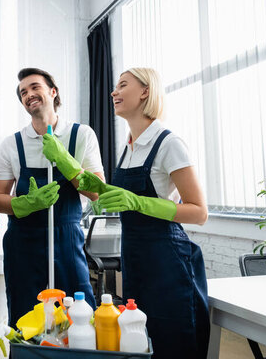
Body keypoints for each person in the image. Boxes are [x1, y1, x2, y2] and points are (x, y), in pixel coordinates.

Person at [77, 67, 209, 359]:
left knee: (173, 342)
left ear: (145, 91)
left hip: (168, 262)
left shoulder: (168, 143)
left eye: (122, 85)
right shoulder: (129, 147)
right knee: (141, 342)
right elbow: (124, 200)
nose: (113, 92)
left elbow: (199, 212)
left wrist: (139, 203)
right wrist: (97, 188)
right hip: (136, 259)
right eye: (114, 87)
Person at [0, 68, 104, 329]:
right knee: (23, 316)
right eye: (23, 92)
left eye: (34, 87)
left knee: (80, 312)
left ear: (53, 91)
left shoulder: (81, 135)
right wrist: (25, 203)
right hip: (23, 241)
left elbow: (97, 192)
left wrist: (65, 160)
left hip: (67, 237)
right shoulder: (12, 144)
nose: (29, 94)